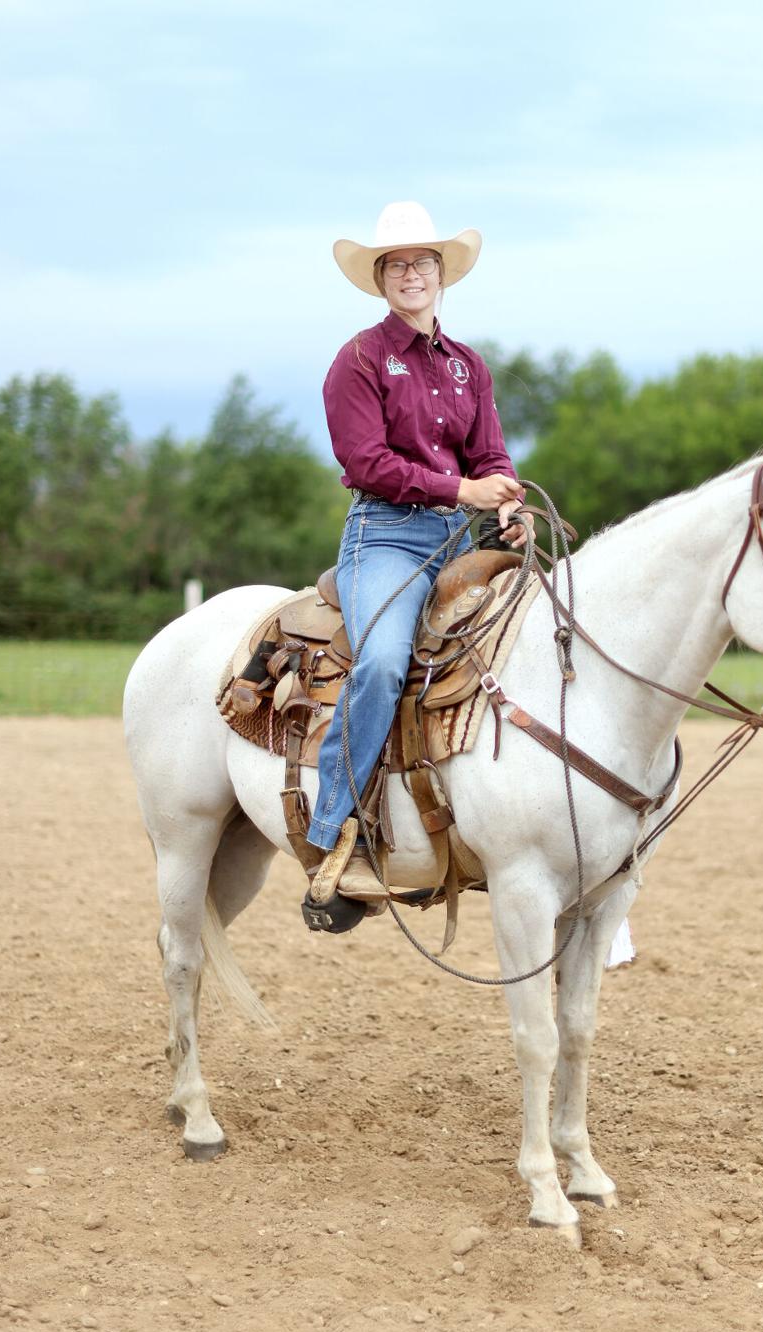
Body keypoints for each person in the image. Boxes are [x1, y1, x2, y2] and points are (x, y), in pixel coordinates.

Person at [306, 201, 528, 909]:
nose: (411, 274)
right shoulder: (360, 359)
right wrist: (464, 488)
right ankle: (336, 826)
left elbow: (490, 453)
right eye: (396, 264)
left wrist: (511, 500)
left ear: (441, 275)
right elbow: (368, 462)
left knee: (542, 642)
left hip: (458, 538)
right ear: (380, 279)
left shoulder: (469, 367)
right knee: (379, 661)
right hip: (387, 536)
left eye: (422, 263)